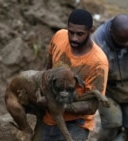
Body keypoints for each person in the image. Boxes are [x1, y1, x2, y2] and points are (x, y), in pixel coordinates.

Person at [34, 9, 109, 141]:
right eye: (71, 32)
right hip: (48, 116)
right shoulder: (59, 37)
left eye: (80, 34)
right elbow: (48, 68)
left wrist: (56, 104)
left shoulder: (98, 63)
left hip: (76, 123)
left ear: (91, 31)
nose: (74, 38)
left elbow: (92, 106)